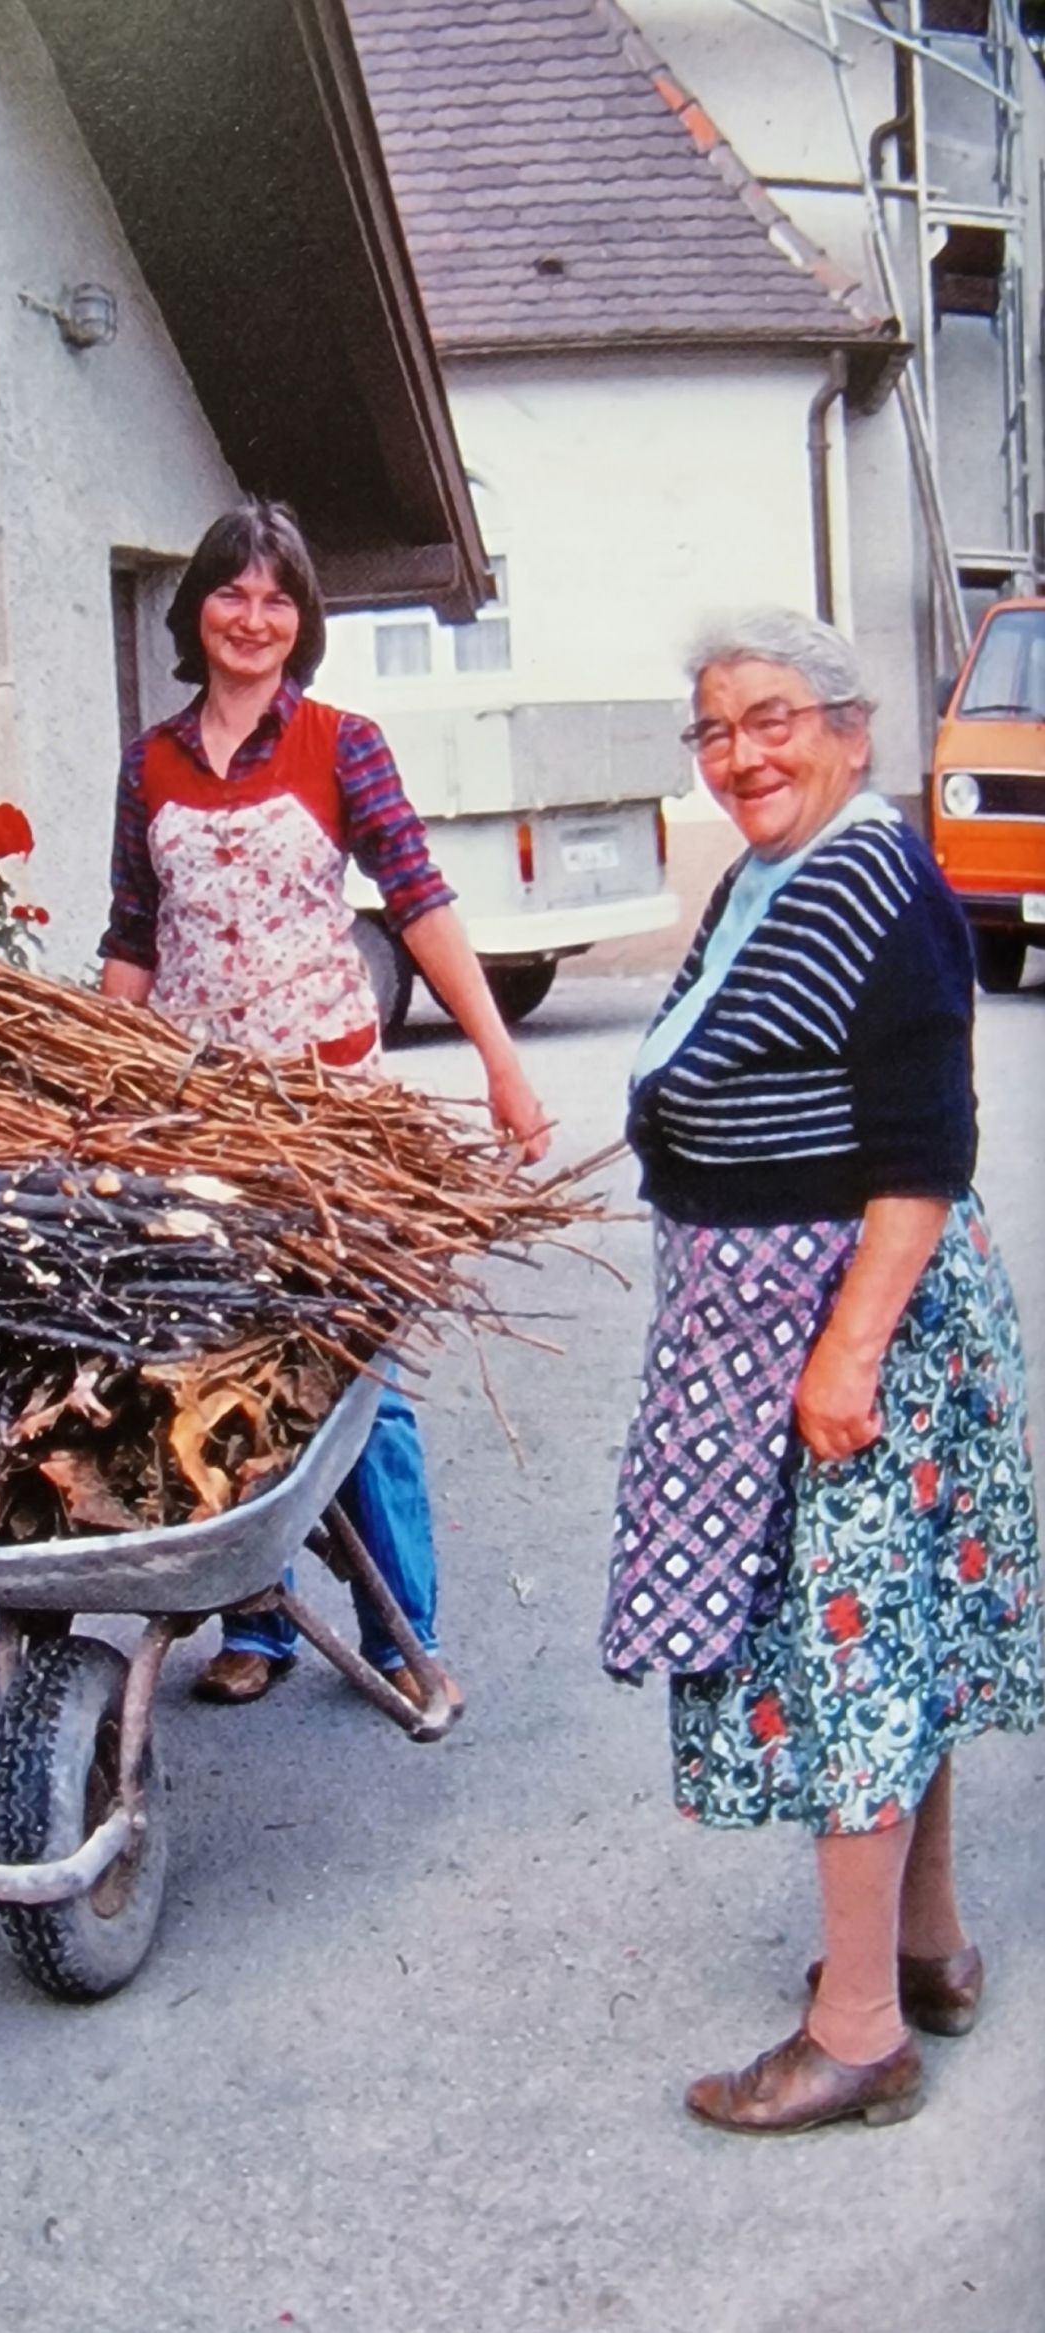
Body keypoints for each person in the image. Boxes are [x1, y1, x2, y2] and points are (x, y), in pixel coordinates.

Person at [601, 608, 1042, 2134]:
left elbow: (925, 1151)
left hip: (858, 1330)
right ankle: (924, 1948)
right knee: (892, 1646)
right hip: (787, 1314)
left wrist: (846, 1354)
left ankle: (857, 2030)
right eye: (717, 729)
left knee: (851, 1656)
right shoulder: (776, 872)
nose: (744, 754)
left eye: (775, 717)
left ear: (855, 731)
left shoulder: (879, 880)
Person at [100, 498, 549, 1709]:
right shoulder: (151, 759)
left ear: (303, 622)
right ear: (196, 605)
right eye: (233, 594)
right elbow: (134, 935)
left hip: (327, 1110)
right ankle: (259, 1623)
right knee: (217, 1363)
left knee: (359, 1371)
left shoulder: (344, 741)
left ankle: (401, 1625)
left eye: (278, 598)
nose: (253, 618)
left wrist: (500, 1059)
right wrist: (104, 1085)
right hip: (201, 1115)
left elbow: (417, 897)